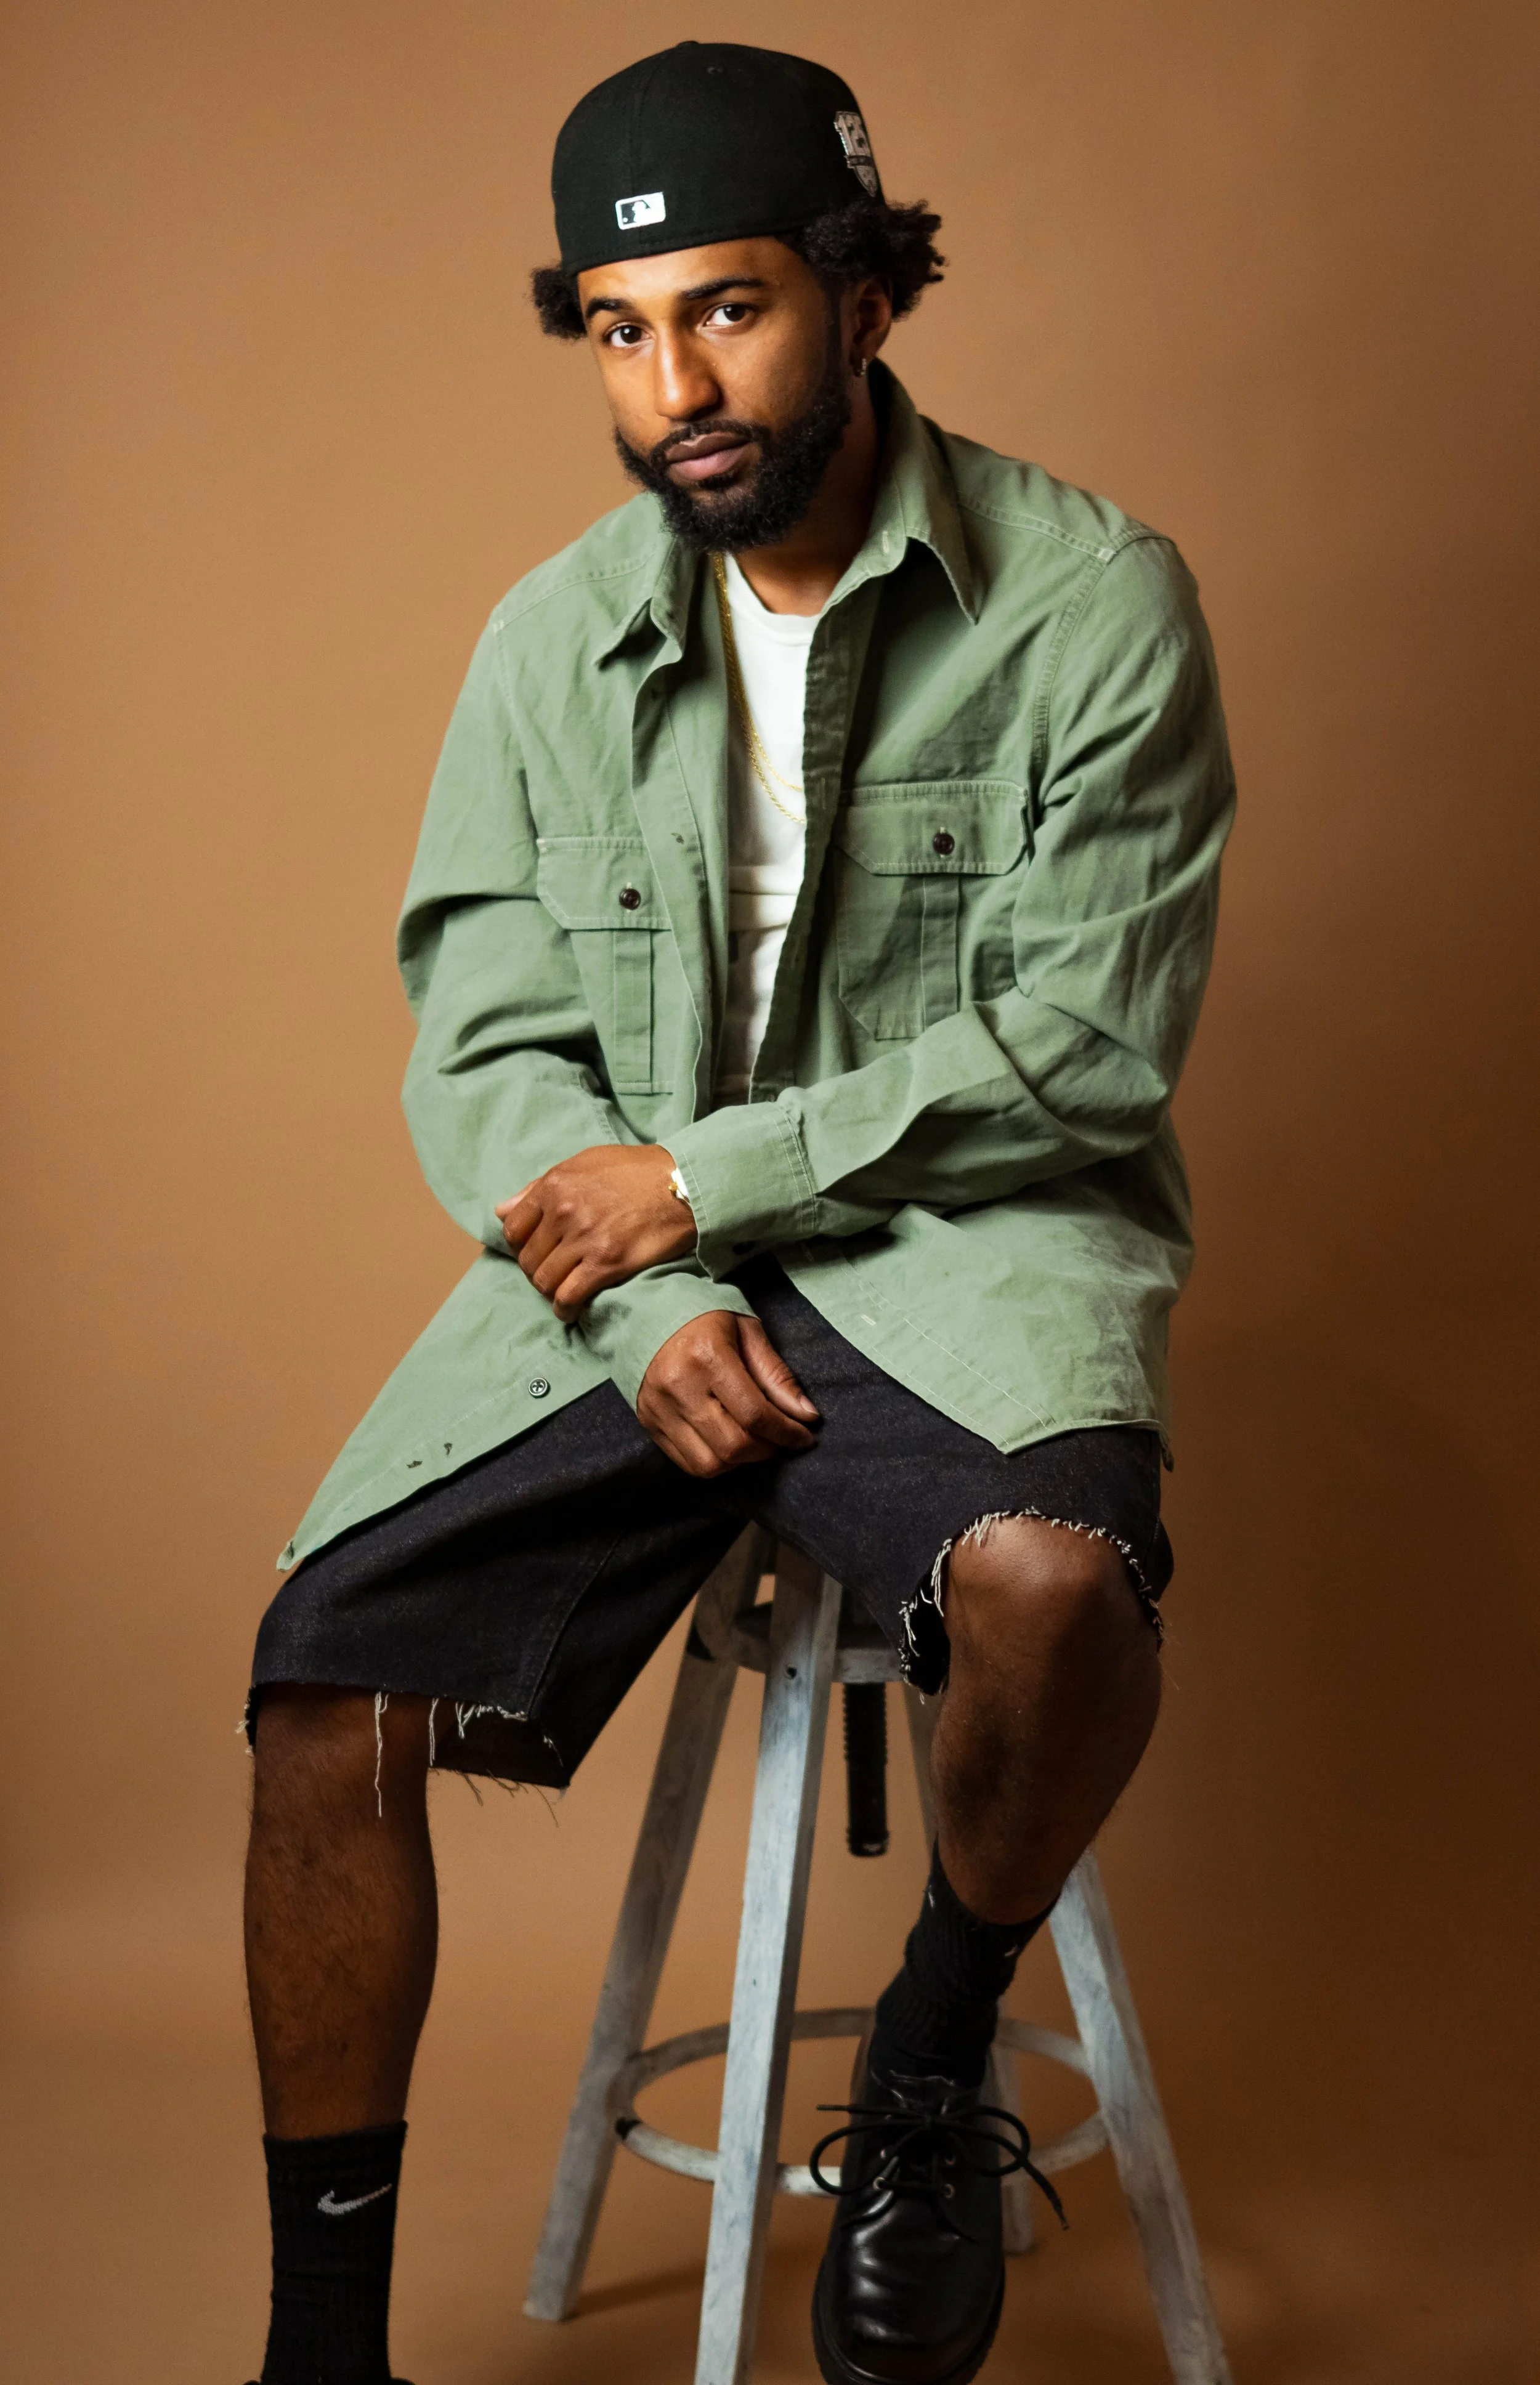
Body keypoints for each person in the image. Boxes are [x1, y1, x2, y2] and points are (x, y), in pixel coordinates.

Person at [241, 41, 1234, 2385]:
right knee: (315, 1692)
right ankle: (320, 2344)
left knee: (1054, 1589)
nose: (671, 383)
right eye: (615, 326)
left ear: (869, 292)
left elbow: (1082, 1047)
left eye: (730, 307)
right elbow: (486, 1050)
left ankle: (922, 2067)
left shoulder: (1091, 603)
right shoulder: (543, 645)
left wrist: (705, 1174)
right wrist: (644, 1290)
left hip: (977, 1244)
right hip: (625, 1283)